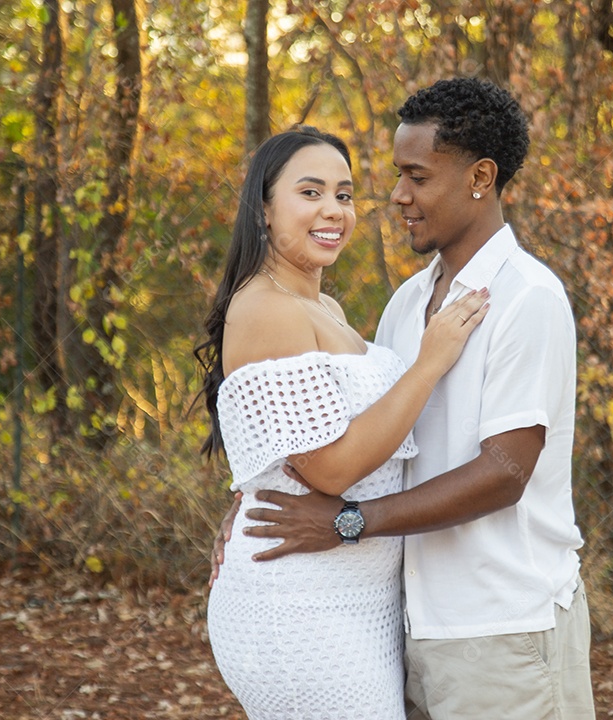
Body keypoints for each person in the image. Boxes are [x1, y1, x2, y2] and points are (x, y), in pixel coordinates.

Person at [213, 78, 597, 719]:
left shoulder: (526, 298)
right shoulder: (408, 303)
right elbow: (347, 427)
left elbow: (506, 472)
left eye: (417, 177)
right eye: (397, 176)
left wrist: (349, 522)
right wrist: (257, 492)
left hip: (501, 627)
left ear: (480, 178)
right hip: (404, 622)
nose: (397, 195)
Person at [195, 126, 489, 719]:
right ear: (264, 209)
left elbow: (294, 443)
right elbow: (329, 470)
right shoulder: (267, 309)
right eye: (310, 192)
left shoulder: (322, 307)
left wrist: (251, 489)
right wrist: (429, 363)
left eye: (344, 194)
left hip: (351, 598)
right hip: (299, 606)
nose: (333, 210)